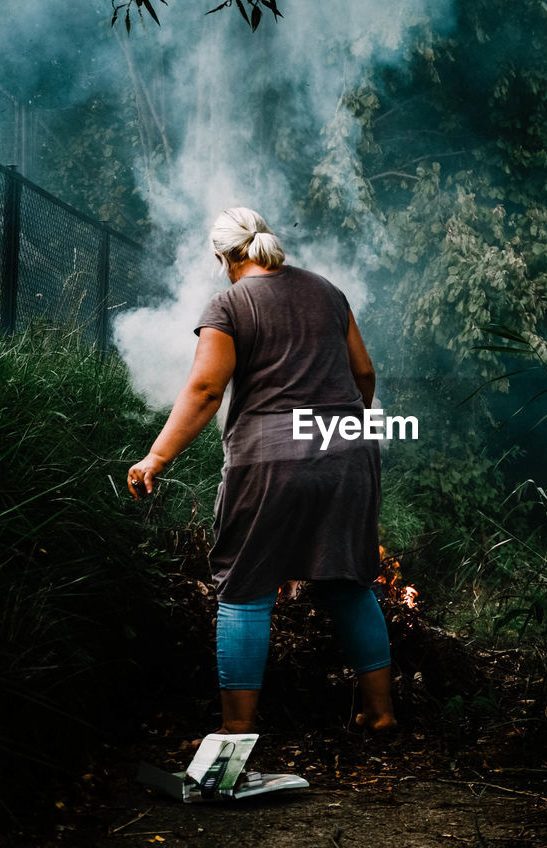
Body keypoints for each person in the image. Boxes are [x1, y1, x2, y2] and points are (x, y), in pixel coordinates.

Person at [127, 206, 396, 735]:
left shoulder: (229, 302)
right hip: (350, 453)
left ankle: (237, 730)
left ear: (225, 257)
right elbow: (363, 372)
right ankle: (381, 714)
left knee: (246, 588)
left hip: (270, 458)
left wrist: (156, 456)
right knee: (349, 581)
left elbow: (206, 390)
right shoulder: (327, 291)